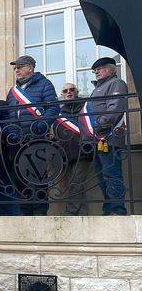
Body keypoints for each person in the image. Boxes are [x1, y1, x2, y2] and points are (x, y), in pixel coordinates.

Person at [4, 55, 58, 216]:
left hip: (36, 138)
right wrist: (8, 131)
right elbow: (8, 115)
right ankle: (25, 210)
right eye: (15, 68)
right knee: (20, 178)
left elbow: (53, 109)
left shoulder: (45, 84)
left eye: (20, 67)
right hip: (16, 140)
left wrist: (42, 125)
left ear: (30, 67)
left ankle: (40, 211)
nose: (17, 70)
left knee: (38, 177)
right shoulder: (13, 92)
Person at [85, 57, 128, 216]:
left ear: (111, 69)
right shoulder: (98, 87)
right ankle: (109, 208)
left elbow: (114, 110)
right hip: (98, 139)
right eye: (95, 70)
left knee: (112, 174)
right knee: (101, 177)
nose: (96, 71)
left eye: (100, 68)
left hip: (108, 138)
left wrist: (96, 127)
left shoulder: (116, 84)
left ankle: (117, 209)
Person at [54, 83, 92, 215]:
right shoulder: (58, 113)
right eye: (65, 90)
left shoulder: (85, 108)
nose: (68, 92)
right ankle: (83, 213)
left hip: (83, 151)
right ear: (62, 95)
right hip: (66, 153)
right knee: (76, 183)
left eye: (71, 90)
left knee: (75, 182)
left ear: (76, 92)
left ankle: (71, 211)